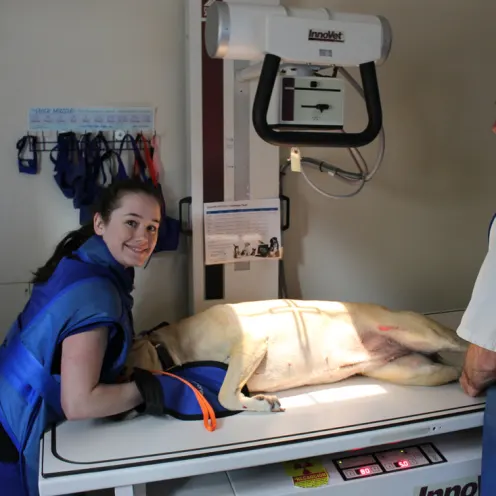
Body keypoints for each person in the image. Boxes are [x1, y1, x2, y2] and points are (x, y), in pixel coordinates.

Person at [0, 178, 177, 496]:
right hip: (12, 434)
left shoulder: (80, 263)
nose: (144, 237)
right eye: (131, 223)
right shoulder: (97, 295)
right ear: (100, 223)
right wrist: (149, 389)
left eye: (152, 227)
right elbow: (79, 403)